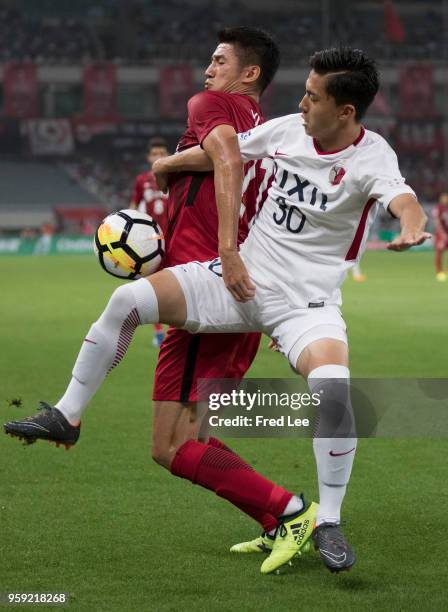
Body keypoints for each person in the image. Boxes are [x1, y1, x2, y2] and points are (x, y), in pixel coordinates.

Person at [5, 46, 430, 575]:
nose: (301, 102)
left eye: (313, 97)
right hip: (239, 281)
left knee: (335, 388)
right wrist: (168, 163)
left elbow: (402, 198)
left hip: (306, 305)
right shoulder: (287, 130)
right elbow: (226, 153)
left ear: (346, 111)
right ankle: (67, 415)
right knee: (128, 300)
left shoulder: (373, 156)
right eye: (303, 90)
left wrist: (411, 226)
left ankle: (329, 521)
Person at [130, 137, 170, 346]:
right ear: (148, 157)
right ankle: (158, 332)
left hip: (173, 237)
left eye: (163, 153)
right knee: (151, 287)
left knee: (175, 285)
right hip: (150, 241)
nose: (159, 157)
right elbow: (134, 206)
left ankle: (175, 330)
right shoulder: (141, 180)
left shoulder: (176, 177)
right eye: (155, 154)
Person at [433, 192, 448, 282]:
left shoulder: (446, 209)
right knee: (440, 252)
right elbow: (437, 222)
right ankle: (439, 271)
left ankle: (446, 270)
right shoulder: (438, 208)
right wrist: (442, 234)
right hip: (441, 235)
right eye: (444, 198)